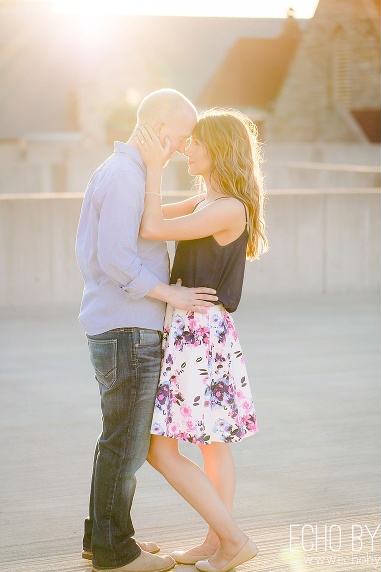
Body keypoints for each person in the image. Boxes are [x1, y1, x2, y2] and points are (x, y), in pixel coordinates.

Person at [76, 88, 219, 572]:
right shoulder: (125, 176)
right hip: (128, 329)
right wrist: (171, 295)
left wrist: (201, 202)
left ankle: (104, 537)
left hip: (118, 326)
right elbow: (117, 258)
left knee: (114, 440)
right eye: (181, 137)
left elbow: (141, 228)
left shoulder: (126, 172)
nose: (184, 147)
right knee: (126, 446)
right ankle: (116, 554)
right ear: (159, 130)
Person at [134, 106, 266, 572]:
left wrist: (154, 165)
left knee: (163, 449)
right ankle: (217, 541)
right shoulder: (205, 202)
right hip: (194, 330)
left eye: (195, 142)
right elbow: (143, 214)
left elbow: (152, 227)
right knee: (212, 444)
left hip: (200, 334)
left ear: (219, 149)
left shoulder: (229, 207)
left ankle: (230, 539)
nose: (186, 148)